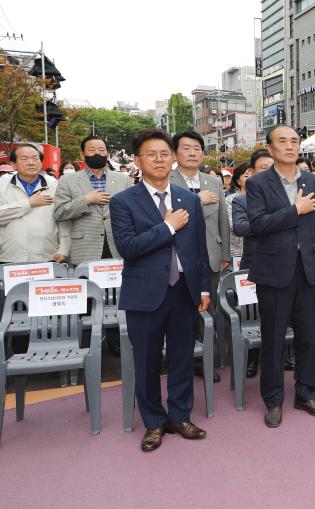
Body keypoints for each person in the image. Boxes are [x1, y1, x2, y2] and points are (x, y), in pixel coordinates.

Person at [110, 129, 210, 452]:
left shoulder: (189, 199)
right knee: (147, 362)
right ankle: (153, 422)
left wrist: (204, 289)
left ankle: (180, 416)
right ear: (138, 160)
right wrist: (167, 226)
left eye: (165, 154)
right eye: (151, 154)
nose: (159, 160)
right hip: (145, 295)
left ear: (173, 158)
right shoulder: (123, 201)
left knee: (182, 358)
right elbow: (127, 247)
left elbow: (199, 249)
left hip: (183, 291)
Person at [246, 126, 315, 428]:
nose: (290, 146)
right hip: (273, 272)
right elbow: (258, 224)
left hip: (307, 269)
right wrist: (295, 210)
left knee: (308, 335)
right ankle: (273, 400)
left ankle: (305, 393)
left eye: (294, 141)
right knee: (273, 338)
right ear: (270, 148)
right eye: (282, 141)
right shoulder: (257, 183)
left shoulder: (312, 180)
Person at [170, 131, 230, 381]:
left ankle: (206, 360)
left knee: (208, 310)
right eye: (186, 148)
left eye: (197, 148)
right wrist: (197, 200)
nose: (193, 153)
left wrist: (225, 252)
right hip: (178, 258)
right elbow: (167, 215)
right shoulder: (167, 180)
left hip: (211, 256)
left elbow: (222, 219)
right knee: (182, 312)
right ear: (175, 153)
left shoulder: (212, 181)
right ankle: (183, 360)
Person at [230, 149, 276, 378]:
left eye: (272, 168)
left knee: (280, 312)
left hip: (282, 261)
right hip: (254, 262)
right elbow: (240, 228)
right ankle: (252, 359)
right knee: (253, 311)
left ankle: (282, 356)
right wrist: (276, 221)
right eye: (263, 168)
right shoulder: (241, 200)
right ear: (252, 171)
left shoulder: (286, 195)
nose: (268, 172)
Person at [53, 135, 132, 266]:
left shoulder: (123, 180)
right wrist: (86, 200)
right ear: (82, 154)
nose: (97, 153)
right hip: (85, 248)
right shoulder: (67, 180)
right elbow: (59, 213)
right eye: (92, 150)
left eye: (101, 150)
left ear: (107, 154)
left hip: (118, 247)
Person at [0, 143, 70, 264]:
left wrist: (64, 249)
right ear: (13, 164)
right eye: (24, 159)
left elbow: (63, 219)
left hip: (48, 256)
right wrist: (28, 203)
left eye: (35, 158)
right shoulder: (2, 184)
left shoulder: (54, 185)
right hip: (10, 257)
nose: (31, 163)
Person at [225, 162, 251, 259]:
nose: (251, 178)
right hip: (238, 252)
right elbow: (233, 225)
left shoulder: (265, 198)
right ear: (238, 181)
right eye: (246, 176)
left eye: (254, 174)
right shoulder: (230, 200)